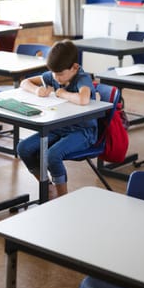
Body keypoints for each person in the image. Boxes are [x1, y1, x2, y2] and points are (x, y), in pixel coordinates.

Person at [17, 40, 97, 199]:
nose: (56, 78)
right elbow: (24, 82)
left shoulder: (81, 78)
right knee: (23, 148)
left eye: (60, 74)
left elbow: (83, 99)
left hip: (83, 132)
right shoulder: (54, 76)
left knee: (52, 155)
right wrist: (37, 90)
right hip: (58, 128)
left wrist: (61, 93)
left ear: (75, 67)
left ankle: (62, 198)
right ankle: (47, 185)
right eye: (54, 73)